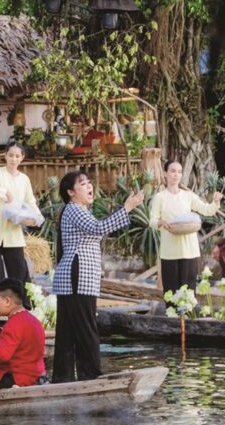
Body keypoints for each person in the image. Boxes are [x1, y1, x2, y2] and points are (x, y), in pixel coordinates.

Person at [52, 171, 143, 383]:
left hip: (77, 277)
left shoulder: (81, 210)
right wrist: (127, 208)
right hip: (77, 275)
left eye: (89, 182)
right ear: (71, 192)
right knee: (85, 327)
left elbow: (96, 230)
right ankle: (91, 376)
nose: (89, 186)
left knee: (69, 329)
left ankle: (63, 378)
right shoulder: (75, 209)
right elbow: (98, 228)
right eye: (82, 184)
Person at [0, 141, 38, 312]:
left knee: (20, 271)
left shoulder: (24, 179)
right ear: (5, 156)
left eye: (17, 156)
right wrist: (4, 193)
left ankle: (24, 308)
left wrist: (37, 216)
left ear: (22, 158)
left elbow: (30, 201)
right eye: (10, 155)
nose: (13, 159)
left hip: (13, 232)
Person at [149, 161, 222, 292]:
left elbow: (207, 210)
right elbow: (152, 221)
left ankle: (188, 314)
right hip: (169, 252)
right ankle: (172, 314)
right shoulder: (159, 197)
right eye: (172, 171)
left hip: (189, 251)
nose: (176, 174)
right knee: (171, 293)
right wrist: (161, 222)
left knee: (189, 294)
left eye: (179, 171)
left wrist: (216, 201)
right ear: (165, 174)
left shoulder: (188, 196)